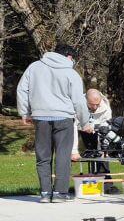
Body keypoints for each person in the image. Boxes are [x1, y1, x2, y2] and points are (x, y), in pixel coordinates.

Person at [16, 44, 92, 203]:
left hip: (41, 117)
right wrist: (85, 122)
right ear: (69, 56)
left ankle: (45, 193)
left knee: (43, 157)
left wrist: (25, 112)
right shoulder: (71, 73)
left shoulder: (34, 67)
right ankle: (59, 193)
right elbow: (78, 101)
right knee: (63, 156)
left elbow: (22, 90)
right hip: (64, 119)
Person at [72, 89, 113, 177]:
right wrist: (74, 151)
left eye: (97, 104)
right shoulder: (77, 105)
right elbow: (73, 128)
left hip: (99, 131)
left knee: (102, 155)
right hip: (81, 130)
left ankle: (106, 183)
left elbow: (106, 130)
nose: (94, 107)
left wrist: (103, 150)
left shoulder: (106, 108)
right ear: (86, 100)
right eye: (91, 104)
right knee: (85, 153)